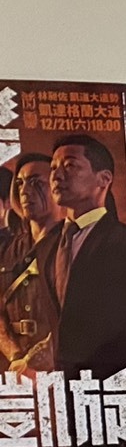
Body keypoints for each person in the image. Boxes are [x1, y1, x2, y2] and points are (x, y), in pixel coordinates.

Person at [45, 133, 126, 377]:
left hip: (117, 387)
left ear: (104, 179)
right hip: (62, 388)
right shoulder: (45, 248)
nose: (57, 176)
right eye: (53, 168)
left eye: (70, 165)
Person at [1, 152, 65, 373]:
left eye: (36, 182)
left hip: (58, 368)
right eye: (20, 183)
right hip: (13, 369)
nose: (25, 190)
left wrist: (39, 360)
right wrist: (15, 356)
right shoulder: (7, 248)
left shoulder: (74, 244)